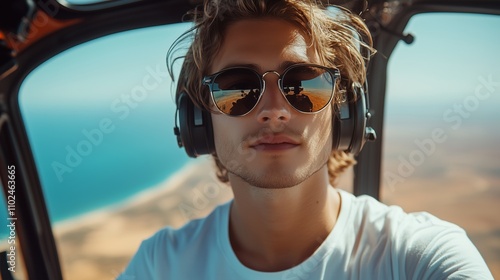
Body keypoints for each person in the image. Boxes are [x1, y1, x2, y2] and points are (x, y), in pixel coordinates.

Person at [119, 0, 493, 279]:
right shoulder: (159, 265)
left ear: (343, 115)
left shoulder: (421, 257)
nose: (274, 110)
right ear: (198, 121)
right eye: (238, 88)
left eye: (304, 84)